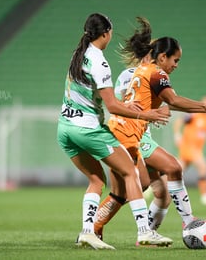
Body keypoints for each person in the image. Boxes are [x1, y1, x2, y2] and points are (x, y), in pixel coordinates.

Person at [94, 17, 206, 242]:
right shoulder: (153, 72)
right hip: (128, 133)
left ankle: (103, 227)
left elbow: (163, 102)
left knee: (152, 189)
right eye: (175, 60)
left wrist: (156, 111)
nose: (176, 65)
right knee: (150, 179)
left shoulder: (143, 71)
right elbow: (172, 101)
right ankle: (148, 230)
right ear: (160, 56)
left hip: (129, 132)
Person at [56, 13, 173, 250]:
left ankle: (88, 232)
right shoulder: (99, 62)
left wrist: (127, 106)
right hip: (88, 130)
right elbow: (111, 106)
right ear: (106, 34)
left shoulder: (77, 56)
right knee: (131, 173)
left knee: (96, 179)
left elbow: (93, 93)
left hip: (65, 129)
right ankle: (144, 232)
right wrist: (145, 114)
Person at [173, 95, 206, 204]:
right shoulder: (194, 115)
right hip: (188, 146)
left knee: (177, 171)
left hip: (197, 149)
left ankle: (155, 187)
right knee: (204, 167)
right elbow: (178, 122)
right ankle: (205, 195)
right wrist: (177, 135)